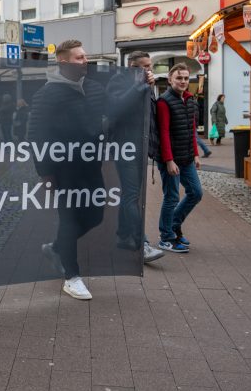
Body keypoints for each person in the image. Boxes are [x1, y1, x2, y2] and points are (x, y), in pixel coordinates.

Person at [29, 40, 105, 300]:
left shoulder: (93, 88)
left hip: (91, 165)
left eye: (85, 57)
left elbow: (114, 110)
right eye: (79, 58)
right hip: (63, 170)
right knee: (69, 220)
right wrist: (45, 173)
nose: (85, 61)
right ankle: (72, 277)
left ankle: (56, 247)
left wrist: (144, 84)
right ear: (63, 62)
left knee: (96, 215)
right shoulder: (46, 94)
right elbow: (35, 134)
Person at [105, 51, 164, 263]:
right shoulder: (118, 80)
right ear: (132, 66)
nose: (149, 70)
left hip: (140, 147)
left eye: (150, 66)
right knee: (131, 195)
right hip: (124, 147)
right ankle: (143, 244)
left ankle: (122, 236)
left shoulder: (146, 85)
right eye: (144, 66)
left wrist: (155, 147)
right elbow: (116, 109)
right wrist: (140, 86)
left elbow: (150, 117)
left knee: (131, 194)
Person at [156, 63, 203, 253]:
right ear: (170, 80)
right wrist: (168, 160)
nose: (183, 81)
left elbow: (192, 130)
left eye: (185, 78)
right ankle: (166, 237)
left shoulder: (191, 100)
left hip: (187, 157)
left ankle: (174, 224)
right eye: (179, 78)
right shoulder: (163, 102)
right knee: (172, 197)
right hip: (171, 159)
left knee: (196, 193)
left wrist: (196, 154)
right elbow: (164, 132)